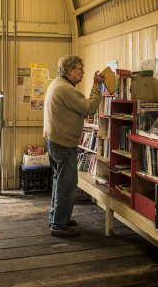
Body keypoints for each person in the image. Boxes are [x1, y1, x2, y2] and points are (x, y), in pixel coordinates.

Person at [43, 55, 104, 236]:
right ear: (70, 70)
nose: (83, 73)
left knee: (59, 181)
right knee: (67, 185)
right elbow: (90, 107)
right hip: (63, 142)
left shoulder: (56, 84)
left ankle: (57, 218)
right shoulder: (67, 89)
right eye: (80, 69)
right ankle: (59, 226)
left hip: (54, 140)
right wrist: (96, 85)